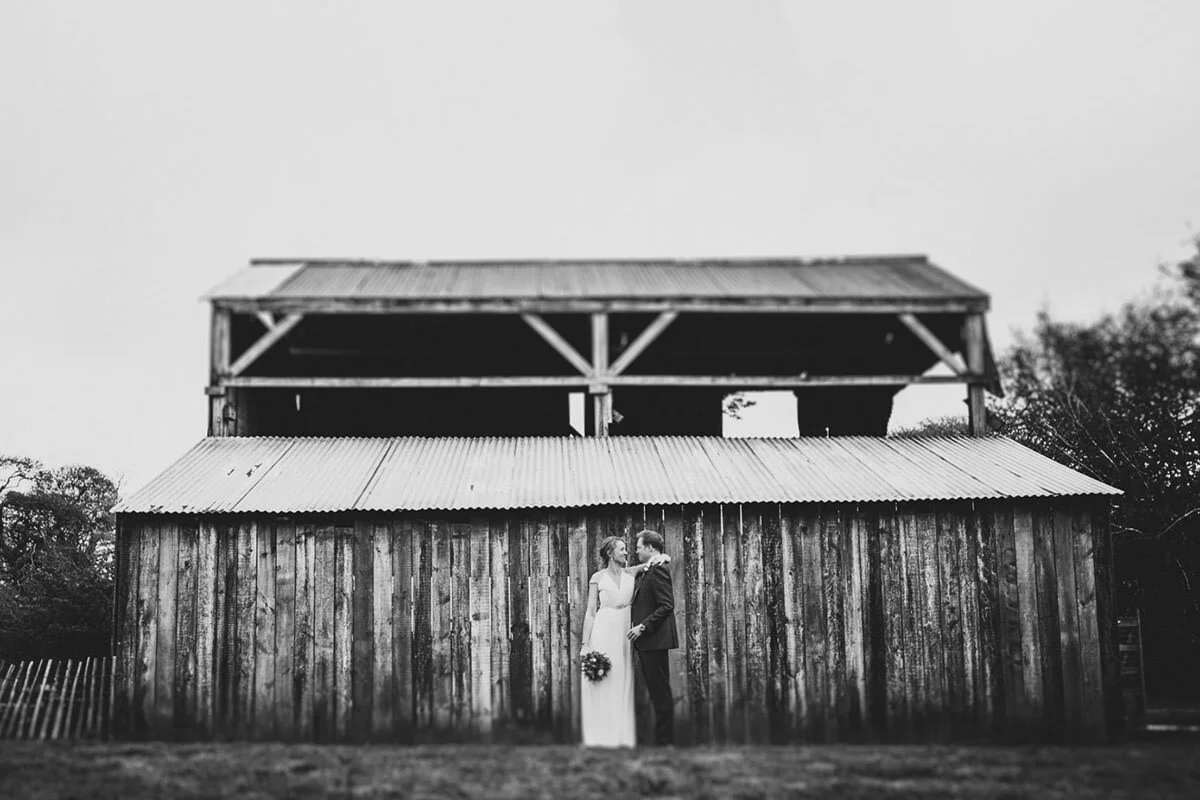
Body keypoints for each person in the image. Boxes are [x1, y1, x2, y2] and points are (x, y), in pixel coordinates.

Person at [579, 535, 669, 748]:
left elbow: (654, 560)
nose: (627, 552)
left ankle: (621, 735)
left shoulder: (631, 572)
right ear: (610, 553)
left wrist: (664, 556)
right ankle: (598, 736)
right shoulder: (597, 577)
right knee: (602, 679)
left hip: (624, 633)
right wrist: (585, 643)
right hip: (603, 628)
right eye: (622, 549)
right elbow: (591, 611)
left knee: (622, 679)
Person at [627, 529, 679, 746]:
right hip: (651, 642)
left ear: (650, 547)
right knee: (658, 691)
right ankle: (663, 740)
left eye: (639, 546)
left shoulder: (658, 570)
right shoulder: (650, 568)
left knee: (660, 692)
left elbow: (667, 605)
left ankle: (665, 741)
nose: (636, 550)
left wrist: (643, 626)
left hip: (655, 640)